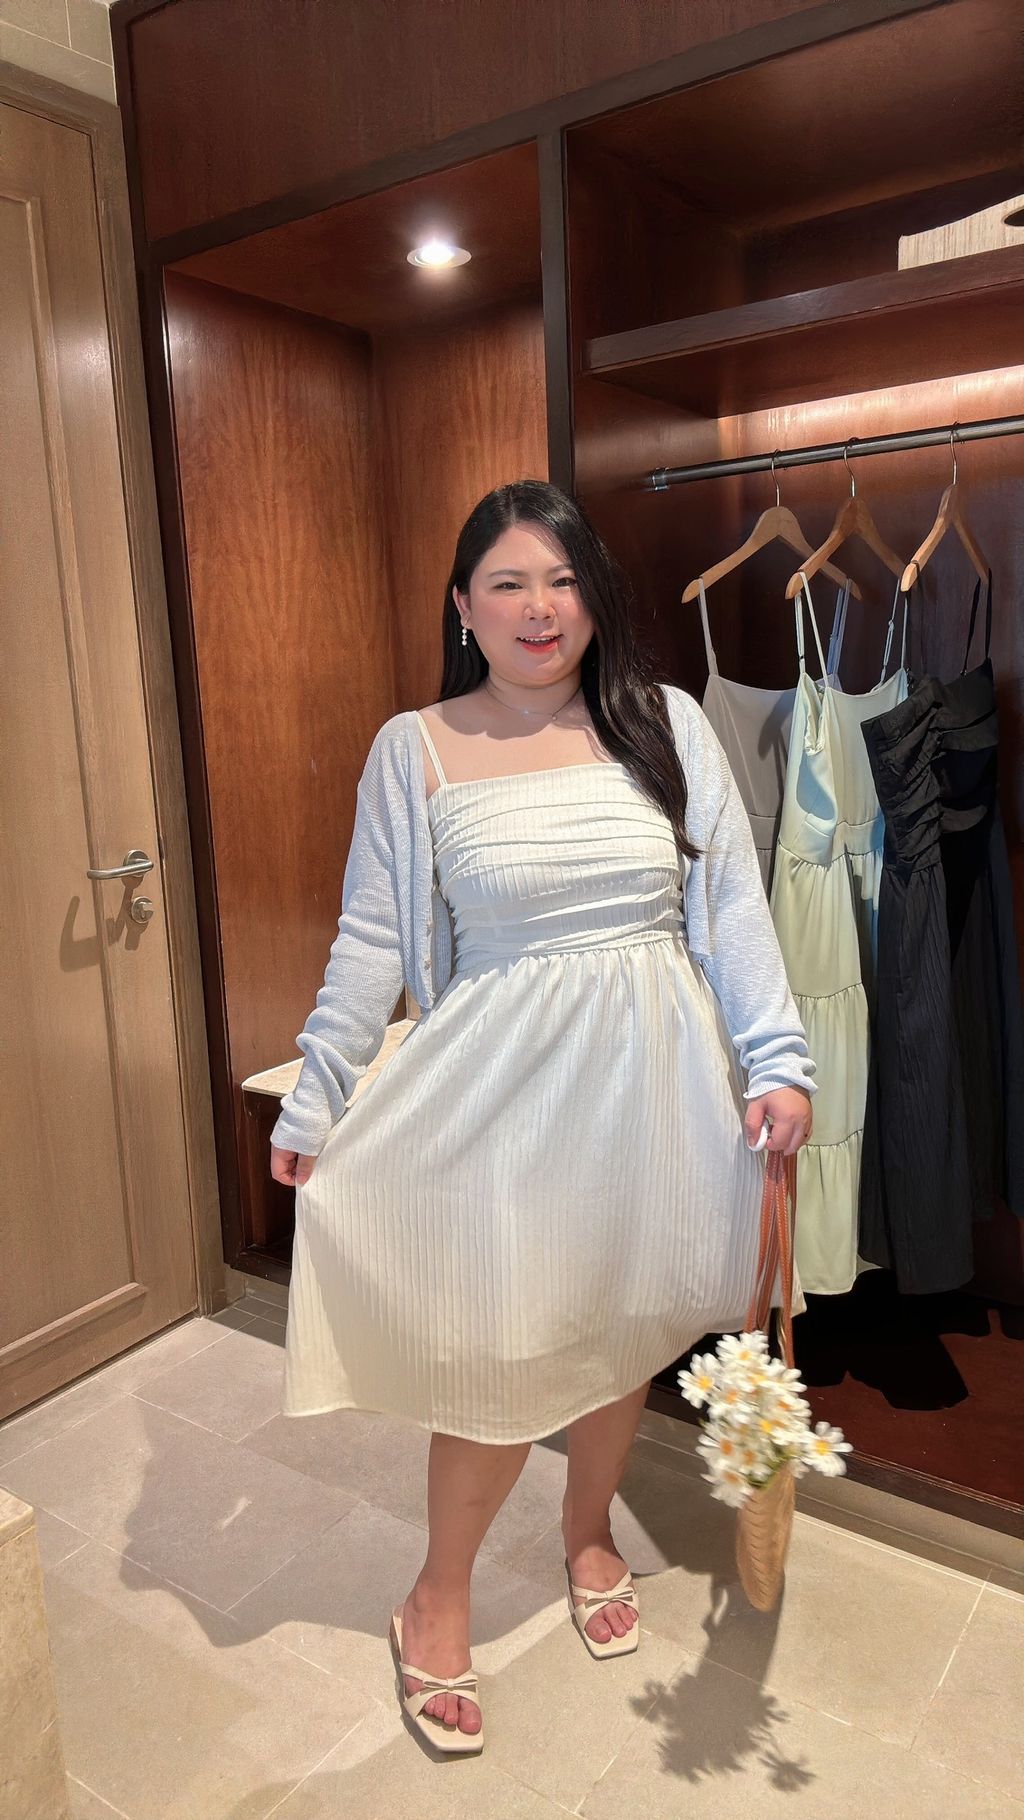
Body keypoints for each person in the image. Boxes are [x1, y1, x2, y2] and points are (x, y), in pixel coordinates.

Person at [269, 479, 815, 1756]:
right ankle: (436, 1593)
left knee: (619, 1324)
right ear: (462, 605)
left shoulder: (664, 723)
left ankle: (586, 1530)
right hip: (503, 1097)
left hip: (653, 1087)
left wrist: (776, 1058)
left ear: (594, 598)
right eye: (508, 582)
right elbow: (370, 937)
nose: (538, 607)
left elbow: (730, 907)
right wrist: (317, 1087)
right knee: (496, 1354)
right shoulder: (415, 746)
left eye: (562, 580)